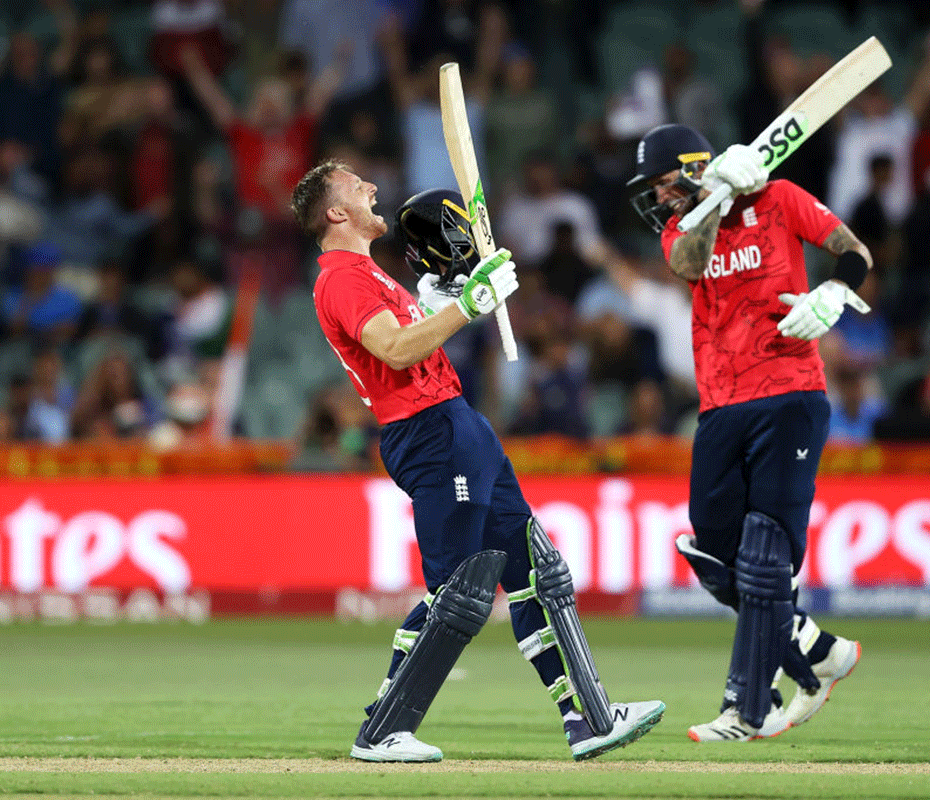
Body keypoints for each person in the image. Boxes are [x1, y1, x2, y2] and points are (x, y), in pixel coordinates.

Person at [290, 162, 664, 763]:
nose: (373, 188)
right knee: (458, 592)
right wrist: (467, 304)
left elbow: (411, 334)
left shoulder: (370, 275)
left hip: (457, 423)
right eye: (358, 187)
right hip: (428, 432)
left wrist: (442, 296)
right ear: (336, 213)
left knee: (538, 573)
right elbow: (391, 347)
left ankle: (589, 719)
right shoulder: (341, 278)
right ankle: (382, 731)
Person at [628, 123, 865, 742]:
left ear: (687, 166)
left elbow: (855, 253)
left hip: (790, 391)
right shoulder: (684, 229)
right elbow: (689, 264)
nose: (657, 200)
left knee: (765, 550)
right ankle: (816, 653)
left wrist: (835, 293)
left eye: (660, 184)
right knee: (712, 550)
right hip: (721, 404)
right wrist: (713, 199)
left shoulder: (780, 198)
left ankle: (746, 709)